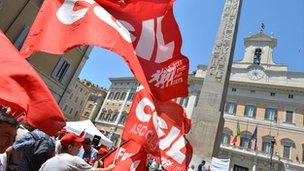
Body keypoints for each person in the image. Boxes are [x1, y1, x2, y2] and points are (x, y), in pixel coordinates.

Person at [39, 132, 115, 171]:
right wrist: (109, 168)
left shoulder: (48, 162)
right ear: (70, 147)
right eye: (77, 145)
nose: (80, 148)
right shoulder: (74, 160)